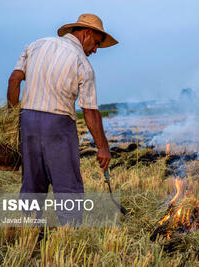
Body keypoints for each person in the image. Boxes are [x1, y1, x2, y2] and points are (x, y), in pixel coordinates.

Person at [6, 14, 117, 225]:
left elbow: (14, 80)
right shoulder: (82, 64)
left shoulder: (36, 45)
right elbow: (90, 111)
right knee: (67, 183)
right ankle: (70, 230)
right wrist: (102, 147)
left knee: (32, 181)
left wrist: (12, 118)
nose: (95, 50)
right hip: (58, 125)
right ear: (86, 34)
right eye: (96, 44)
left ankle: (28, 228)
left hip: (27, 121)